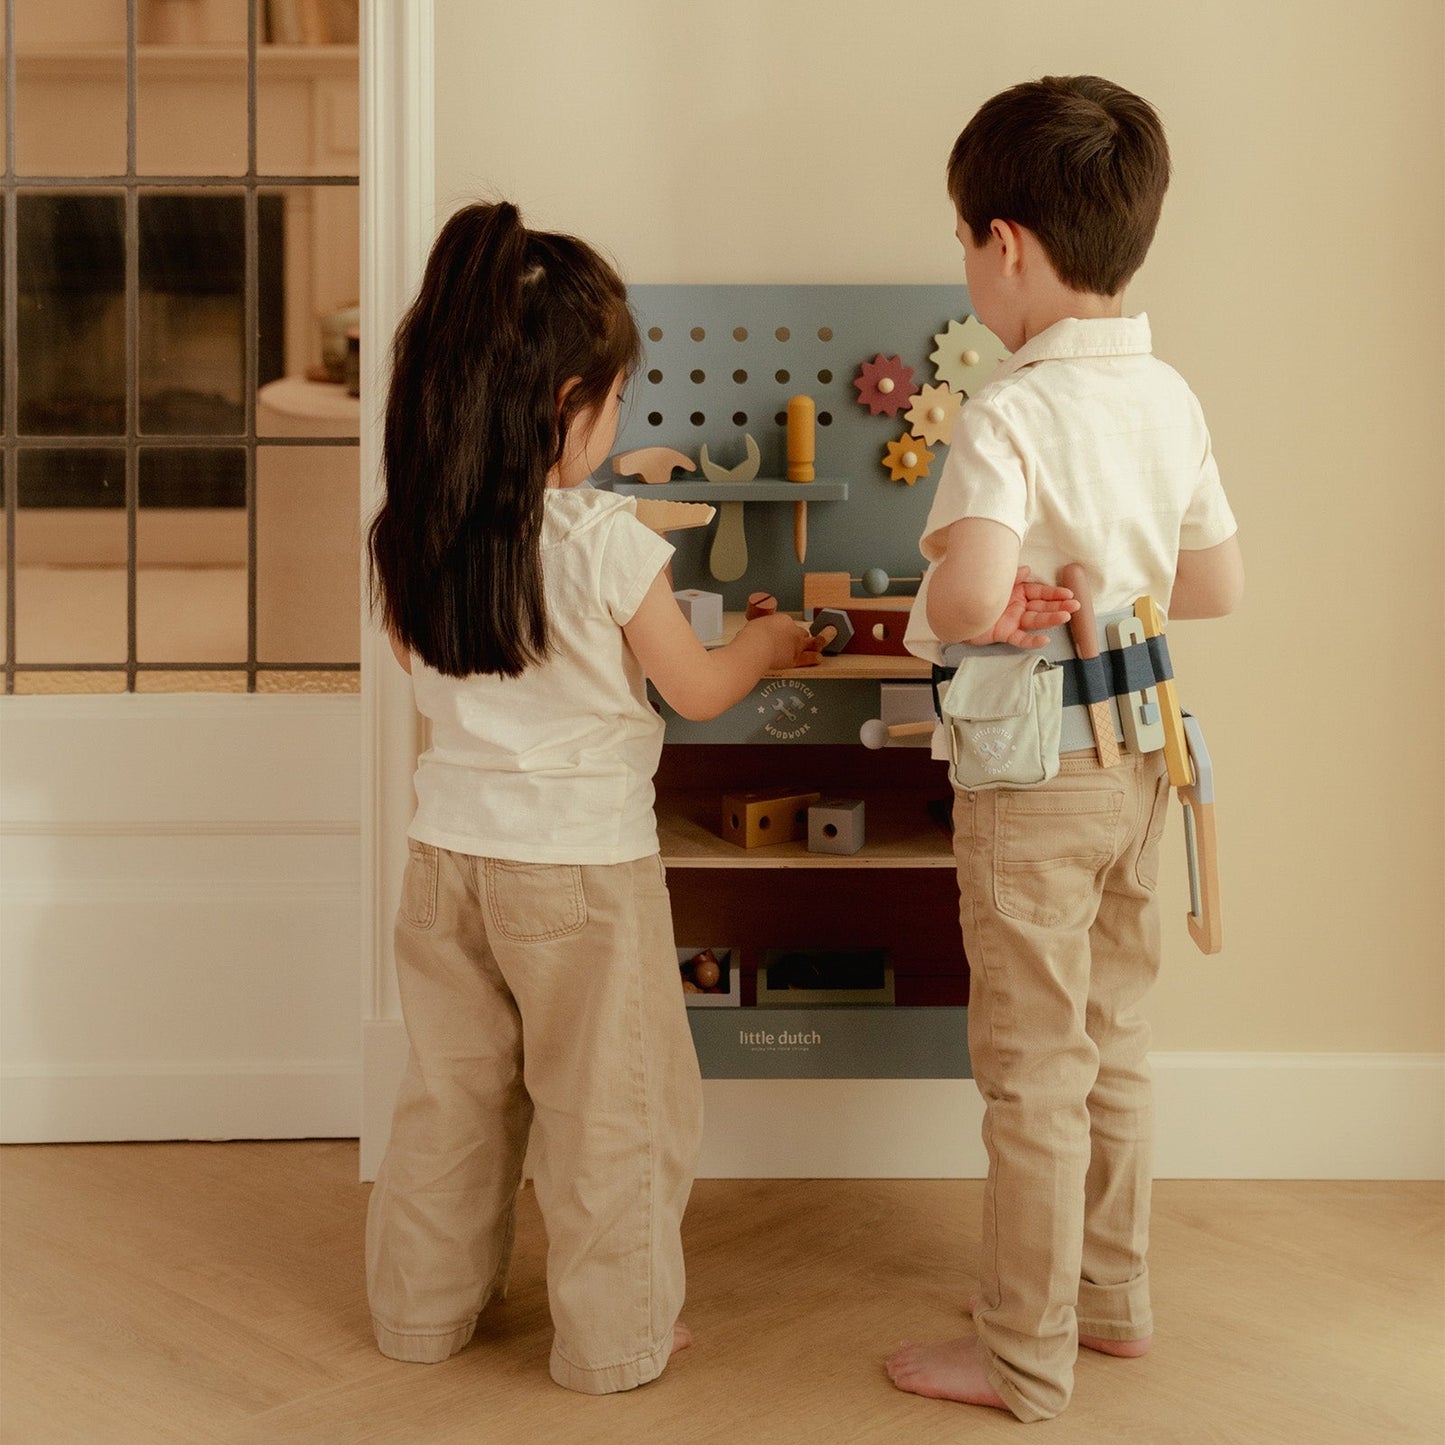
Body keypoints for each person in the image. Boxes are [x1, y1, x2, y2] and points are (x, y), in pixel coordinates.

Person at [363, 200, 833, 1395]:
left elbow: (428, 673)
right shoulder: (606, 544)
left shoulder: (410, 535)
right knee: (613, 1111)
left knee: (451, 1105)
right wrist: (770, 649)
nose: (618, 423)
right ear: (567, 401)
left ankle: (422, 1314)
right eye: (615, 400)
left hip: (441, 867)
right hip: (578, 876)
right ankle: (613, 1339)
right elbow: (695, 686)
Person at [889, 76, 1244, 1422]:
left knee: (1032, 1074)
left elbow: (971, 605)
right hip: (1146, 760)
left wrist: (956, 603)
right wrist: (1105, 580)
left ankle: (1023, 1355)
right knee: (1116, 1037)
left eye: (963, 245)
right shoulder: (1169, 395)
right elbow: (1213, 587)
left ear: (1004, 245)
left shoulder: (1006, 415)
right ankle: (1112, 1300)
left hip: (1037, 779)